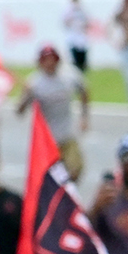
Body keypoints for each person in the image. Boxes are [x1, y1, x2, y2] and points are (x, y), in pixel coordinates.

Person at [14, 44, 89, 181]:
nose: (50, 64)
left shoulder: (70, 76)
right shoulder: (35, 83)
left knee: (75, 169)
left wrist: (84, 117)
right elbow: (19, 111)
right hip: (47, 139)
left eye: (52, 60)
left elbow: (84, 91)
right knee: (49, 176)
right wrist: (26, 95)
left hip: (67, 134)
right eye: (46, 60)